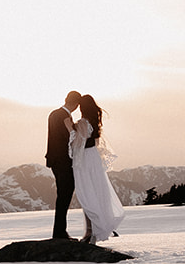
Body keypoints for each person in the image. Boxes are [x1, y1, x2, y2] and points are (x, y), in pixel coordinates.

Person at [69, 94, 125, 244]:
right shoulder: (94, 122)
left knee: (87, 194)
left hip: (85, 160)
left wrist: (70, 128)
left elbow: (77, 143)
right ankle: (92, 230)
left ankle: (91, 231)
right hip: (93, 158)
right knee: (95, 192)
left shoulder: (82, 123)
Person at [45, 91, 81, 240]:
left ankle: (59, 231)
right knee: (64, 195)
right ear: (76, 105)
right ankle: (60, 232)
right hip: (63, 161)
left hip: (55, 160)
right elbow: (66, 139)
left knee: (63, 195)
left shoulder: (54, 114)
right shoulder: (64, 117)